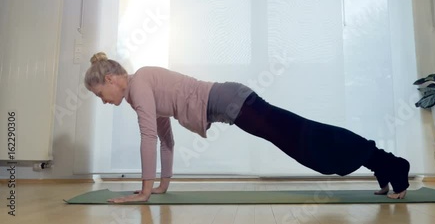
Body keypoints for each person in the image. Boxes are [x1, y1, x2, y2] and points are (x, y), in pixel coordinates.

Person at [84, 52, 410, 203]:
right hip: (233, 101)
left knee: (308, 143)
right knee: (306, 139)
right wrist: (161, 186)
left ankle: (389, 163)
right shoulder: (141, 89)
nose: (103, 100)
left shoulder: (139, 83)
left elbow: (148, 138)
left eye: (101, 94)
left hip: (231, 100)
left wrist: (143, 191)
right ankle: (382, 163)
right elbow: (165, 140)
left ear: (111, 79)